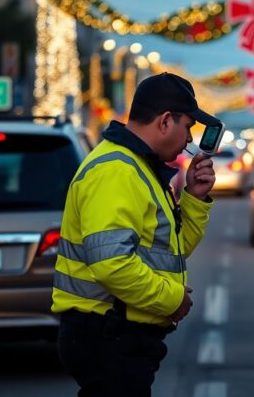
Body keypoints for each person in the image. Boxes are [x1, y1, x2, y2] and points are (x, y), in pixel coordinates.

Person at [51, 72, 217, 396]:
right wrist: (173, 299)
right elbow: (112, 263)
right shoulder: (116, 171)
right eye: (188, 127)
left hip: (115, 334)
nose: (189, 140)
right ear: (166, 121)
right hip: (106, 334)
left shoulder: (139, 167)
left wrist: (194, 199)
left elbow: (171, 251)